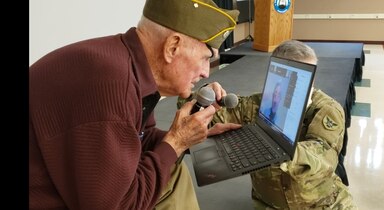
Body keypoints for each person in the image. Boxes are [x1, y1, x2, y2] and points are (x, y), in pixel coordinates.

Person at [29, 0, 242, 209]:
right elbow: (120, 205)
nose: (206, 72)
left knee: (173, 171)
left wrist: (190, 138)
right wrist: (176, 142)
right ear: (172, 47)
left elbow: (139, 138)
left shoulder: (125, 64)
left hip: (71, 189)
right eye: (205, 58)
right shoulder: (113, 86)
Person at [179, 40, 358, 209]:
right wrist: (202, 99)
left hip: (321, 204)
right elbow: (203, 118)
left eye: (304, 78)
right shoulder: (259, 105)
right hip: (269, 205)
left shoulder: (326, 110)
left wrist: (276, 143)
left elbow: (323, 158)